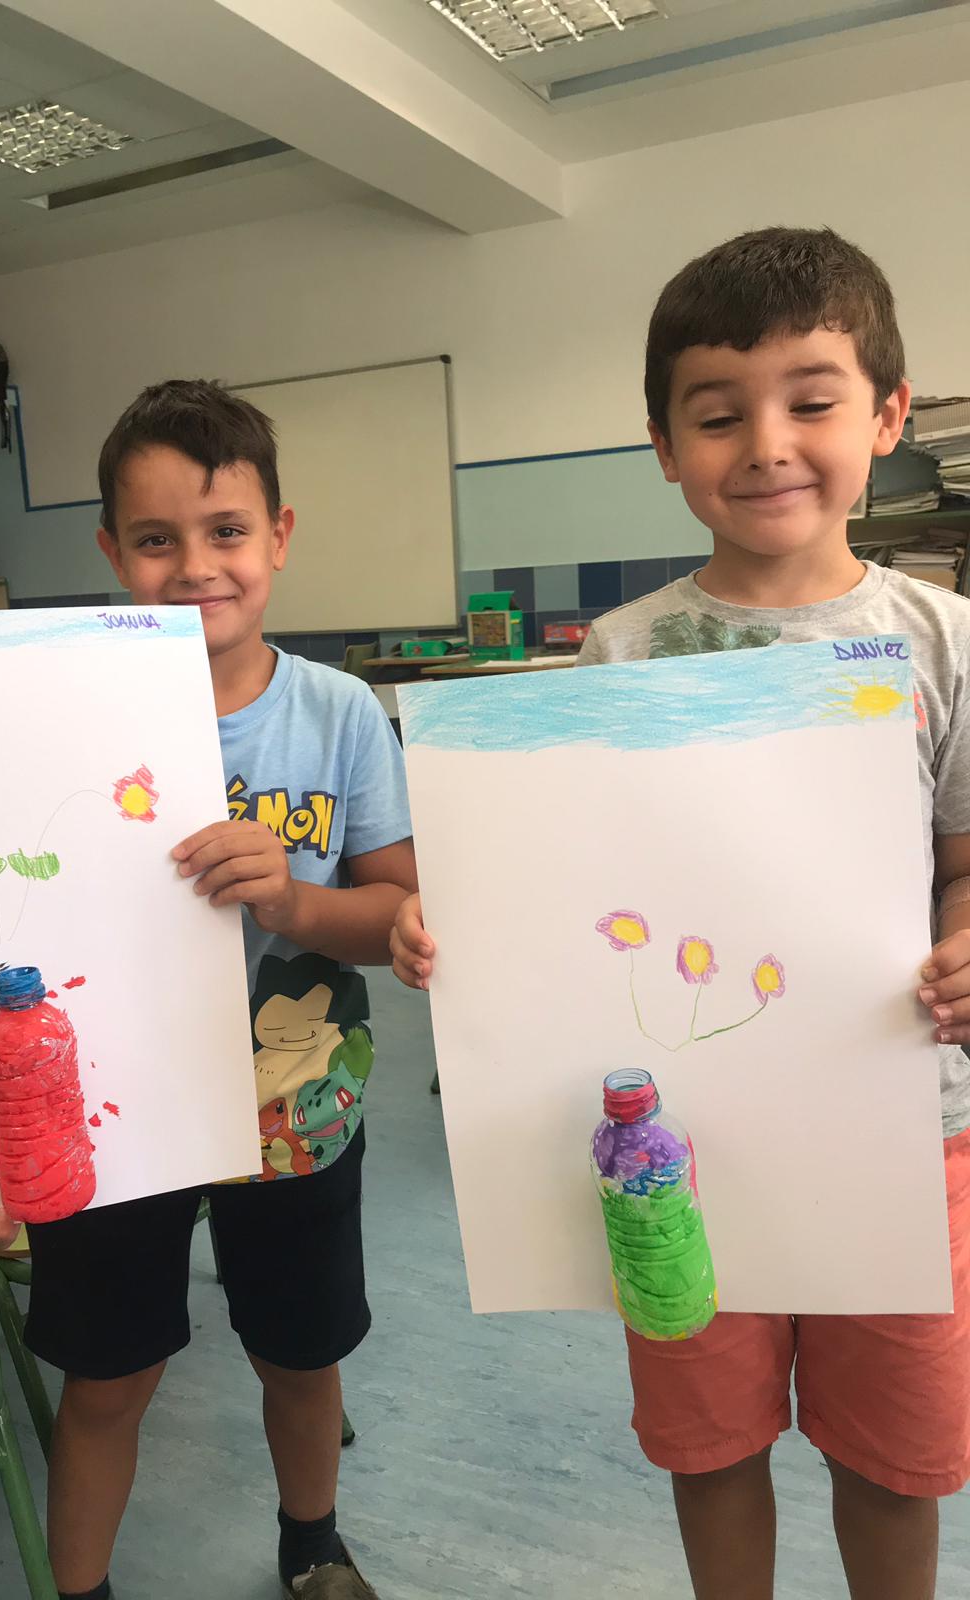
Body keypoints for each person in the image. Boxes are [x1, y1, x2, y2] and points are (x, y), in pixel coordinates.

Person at [391, 227, 970, 1600]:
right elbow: (580, 879)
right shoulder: (623, 650)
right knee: (710, 1442)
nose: (767, 445)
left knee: (897, 1459)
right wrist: (454, 930)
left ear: (888, 415)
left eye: (812, 401)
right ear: (663, 444)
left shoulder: (941, 638)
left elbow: (964, 857)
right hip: (678, 1136)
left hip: (907, 1123)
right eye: (718, 415)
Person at [0, 379, 416, 1600]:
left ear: (278, 536)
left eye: (227, 530)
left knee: (299, 1355)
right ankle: (79, 1588)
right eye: (155, 538)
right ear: (110, 553)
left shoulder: (340, 715)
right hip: (109, 1116)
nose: (195, 566)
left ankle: (312, 1540)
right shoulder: (53, 724)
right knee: (108, 1375)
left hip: (294, 1105)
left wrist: (293, 900)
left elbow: (399, 916)